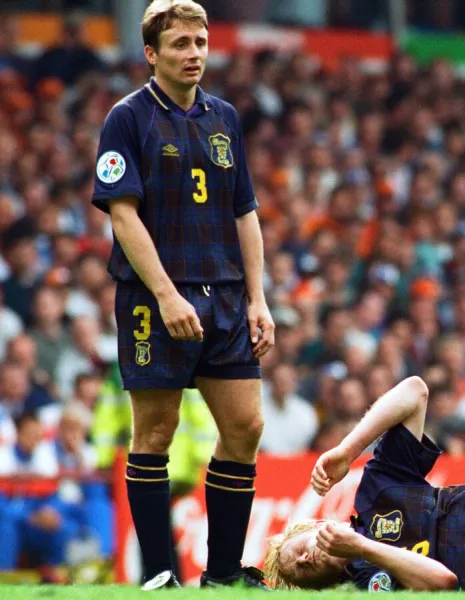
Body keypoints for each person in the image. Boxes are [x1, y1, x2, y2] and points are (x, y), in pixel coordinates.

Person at [91, 0, 275, 591]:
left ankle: (221, 574)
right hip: (154, 300)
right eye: (180, 44)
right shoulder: (127, 118)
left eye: (200, 42)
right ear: (151, 53)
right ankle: (158, 573)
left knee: (245, 427)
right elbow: (123, 216)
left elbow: (244, 212)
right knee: (154, 433)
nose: (194, 53)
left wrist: (258, 298)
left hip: (225, 296)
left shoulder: (224, 118)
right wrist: (167, 296)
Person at [264, 376, 461, 591]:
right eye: (300, 571)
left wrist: (347, 452)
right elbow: (444, 583)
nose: (303, 560)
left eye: (300, 548)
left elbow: (414, 391)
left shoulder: (375, 493)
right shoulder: (369, 587)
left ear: (318, 526)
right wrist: (362, 548)